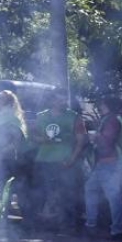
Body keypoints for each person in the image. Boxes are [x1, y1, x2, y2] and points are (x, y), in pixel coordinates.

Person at [29, 89, 87, 232]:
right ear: (52, 100)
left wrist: (72, 159)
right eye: (60, 99)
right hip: (44, 160)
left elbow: (81, 140)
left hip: (64, 161)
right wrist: (42, 139)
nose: (63, 102)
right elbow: (32, 135)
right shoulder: (41, 116)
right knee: (42, 193)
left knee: (67, 193)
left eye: (64, 99)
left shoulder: (74, 117)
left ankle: (69, 225)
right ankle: (41, 224)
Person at [85, 96, 122, 242]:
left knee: (112, 196)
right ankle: (95, 225)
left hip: (109, 163)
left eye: (102, 104)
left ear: (108, 106)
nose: (100, 107)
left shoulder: (111, 120)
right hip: (106, 163)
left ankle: (115, 230)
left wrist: (95, 137)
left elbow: (107, 141)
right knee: (95, 190)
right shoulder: (113, 119)